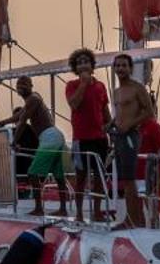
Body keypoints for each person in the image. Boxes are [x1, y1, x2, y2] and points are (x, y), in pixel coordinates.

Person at [63, 48, 111, 220]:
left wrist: (110, 129)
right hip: (81, 138)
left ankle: (97, 212)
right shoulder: (71, 86)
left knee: (99, 177)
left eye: (86, 61)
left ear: (92, 65)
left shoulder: (100, 86)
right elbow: (74, 104)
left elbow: (105, 110)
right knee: (81, 177)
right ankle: (79, 214)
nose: (83, 64)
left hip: (99, 138)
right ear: (75, 68)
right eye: (79, 62)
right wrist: (83, 84)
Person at [109, 54, 154, 227]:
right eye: (118, 66)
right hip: (118, 137)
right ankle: (137, 219)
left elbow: (149, 112)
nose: (120, 69)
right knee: (125, 179)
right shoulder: (117, 91)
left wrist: (129, 124)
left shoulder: (137, 88)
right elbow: (119, 114)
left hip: (130, 136)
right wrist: (110, 124)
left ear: (130, 68)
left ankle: (132, 219)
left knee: (129, 179)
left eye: (124, 66)